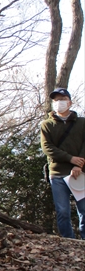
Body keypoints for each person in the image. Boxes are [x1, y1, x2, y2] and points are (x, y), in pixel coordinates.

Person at [40, 88, 85, 239]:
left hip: (80, 172)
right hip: (57, 173)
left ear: (70, 102)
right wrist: (70, 158)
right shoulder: (46, 125)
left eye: (63, 99)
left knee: (84, 209)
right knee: (62, 211)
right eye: (56, 100)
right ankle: (69, 241)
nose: (59, 103)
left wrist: (79, 164)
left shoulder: (82, 122)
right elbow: (47, 148)